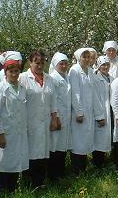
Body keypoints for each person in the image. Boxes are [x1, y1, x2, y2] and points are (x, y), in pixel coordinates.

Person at [19, 50, 58, 187]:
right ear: (30, 63)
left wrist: (54, 118)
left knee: (43, 151)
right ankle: (29, 181)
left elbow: (53, 100)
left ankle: (40, 181)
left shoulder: (49, 78)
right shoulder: (23, 78)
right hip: (30, 121)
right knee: (30, 151)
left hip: (45, 121)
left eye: (42, 63)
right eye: (37, 63)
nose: (40, 66)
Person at [0, 59, 28, 192]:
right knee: (3, 162)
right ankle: (1, 190)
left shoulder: (22, 88)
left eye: (16, 71)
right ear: (5, 72)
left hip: (18, 132)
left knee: (15, 161)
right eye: (11, 71)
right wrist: (0, 133)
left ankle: (12, 189)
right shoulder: (0, 88)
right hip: (5, 132)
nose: (14, 74)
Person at [69, 48, 105, 174]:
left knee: (85, 141)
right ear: (79, 57)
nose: (88, 59)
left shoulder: (90, 71)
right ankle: (76, 170)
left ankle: (83, 168)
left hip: (89, 112)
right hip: (79, 113)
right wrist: (79, 112)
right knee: (78, 142)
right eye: (85, 57)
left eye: (89, 57)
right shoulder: (74, 70)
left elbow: (94, 94)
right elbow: (75, 93)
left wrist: (99, 114)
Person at [48, 52, 71, 181]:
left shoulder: (66, 77)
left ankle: (61, 172)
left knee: (62, 146)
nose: (63, 66)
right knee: (55, 146)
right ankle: (53, 175)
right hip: (57, 117)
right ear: (55, 65)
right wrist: (56, 118)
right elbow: (53, 100)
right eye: (61, 64)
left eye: (65, 63)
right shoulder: (53, 78)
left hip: (66, 116)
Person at [93, 56, 113, 168]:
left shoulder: (112, 78)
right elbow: (95, 99)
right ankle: (97, 164)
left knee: (106, 138)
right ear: (99, 66)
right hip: (101, 112)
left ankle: (104, 160)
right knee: (99, 139)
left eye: (107, 65)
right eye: (103, 65)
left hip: (110, 111)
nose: (105, 67)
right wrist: (99, 116)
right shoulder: (96, 79)